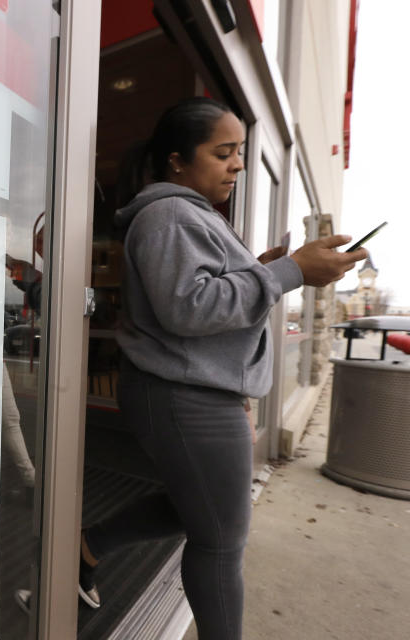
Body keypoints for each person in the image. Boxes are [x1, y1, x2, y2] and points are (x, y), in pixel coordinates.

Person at [69, 97, 368, 639]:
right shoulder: (168, 214)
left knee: (200, 512)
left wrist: (269, 268)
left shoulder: (193, 216)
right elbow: (189, 306)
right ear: (177, 161)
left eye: (242, 153)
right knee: (220, 541)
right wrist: (287, 272)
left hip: (199, 391)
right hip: (185, 395)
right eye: (224, 152)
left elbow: (206, 299)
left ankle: (87, 549)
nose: (238, 164)